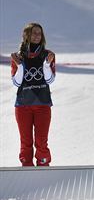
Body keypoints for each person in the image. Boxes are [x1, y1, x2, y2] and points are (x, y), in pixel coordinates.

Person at [11, 23, 56, 166]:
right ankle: (27, 169)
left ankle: (43, 167)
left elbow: (49, 79)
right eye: (33, 33)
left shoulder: (47, 54)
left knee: (41, 142)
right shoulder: (18, 56)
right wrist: (19, 66)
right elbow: (17, 83)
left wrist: (47, 65)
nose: (37, 36)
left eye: (39, 33)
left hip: (42, 105)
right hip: (23, 105)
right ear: (26, 35)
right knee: (25, 142)